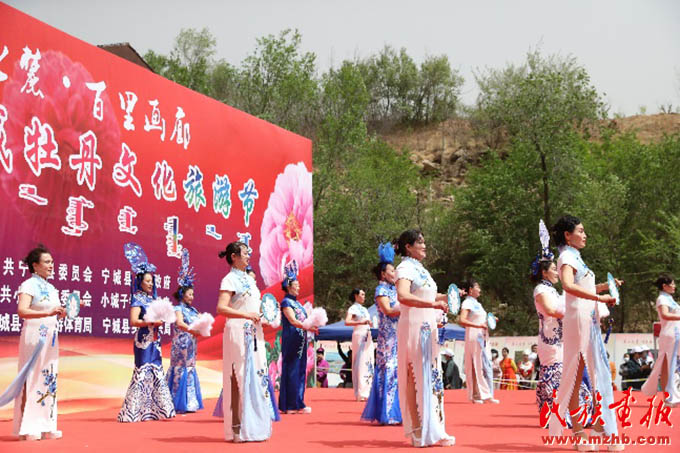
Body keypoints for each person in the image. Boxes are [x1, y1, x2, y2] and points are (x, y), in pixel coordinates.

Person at [547, 215, 623, 451]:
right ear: (568, 235)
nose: (584, 234)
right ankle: (579, 433)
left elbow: (583, 286)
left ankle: (601, 425)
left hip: (588, 318)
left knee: (596, 373)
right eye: (580, 231)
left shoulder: (576, 257)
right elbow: (568, 286)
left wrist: (604, 288)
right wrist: (599, 297)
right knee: (576, 375)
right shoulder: (566, 257)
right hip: (578, 320)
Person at [395, 229, 454, 447]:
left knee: (432, 377)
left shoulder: (422, 270)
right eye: (420, 242)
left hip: (428, 327)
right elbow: (403, 296)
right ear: (408, 246)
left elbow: (430, 295)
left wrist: (450, 296)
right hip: (413, 327)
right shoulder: (404, 268)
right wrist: (432, 304)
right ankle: (418, 429)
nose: (424, 246)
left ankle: (435, 428)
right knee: (415, 376)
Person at [216, 241, 275, 442]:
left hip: (253, 331)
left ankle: (256, 427)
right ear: (234, 256)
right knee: (238, 377)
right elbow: (221, 308)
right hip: (237, 331)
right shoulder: (229, 280)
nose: (249, 257)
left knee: (257, 376)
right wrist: (246, 315)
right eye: (245, 253)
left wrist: (261, 317)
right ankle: (237, 429)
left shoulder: (250, 281)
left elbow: (254, 307)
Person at [7, 245, 65, 440]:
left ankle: (47, 424)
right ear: (35, 265)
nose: (51, 265)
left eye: (52, 262)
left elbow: (55, 313)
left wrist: (67, 310)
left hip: (51, 337)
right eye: (47, 262)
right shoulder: (29, 285)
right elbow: (22, 311)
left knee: (49, 378)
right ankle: (27, 427)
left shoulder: (52, 288)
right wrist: (47, 313)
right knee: (31, 378)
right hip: (34, 336)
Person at [531, 251, 592, 423]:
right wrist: (571, 314)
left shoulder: (555, 291)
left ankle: (573, 414)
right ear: (544, 272)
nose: (557, 273)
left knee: (569, 374)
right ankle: (557, 414)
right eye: (553, 269)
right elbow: (550, 310)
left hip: (563, 339)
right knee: (556, 373)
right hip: (550, 341)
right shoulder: (540, 290)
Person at [118, 243, 176, 423]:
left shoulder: (153, 299)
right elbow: (134, 321)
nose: (150, 284)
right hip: (143, 340)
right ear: (140, 281)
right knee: (143, 370)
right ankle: (133, 412)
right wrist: (151, 322)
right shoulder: (137, 298)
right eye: (147, 281)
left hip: (155, 340)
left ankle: (158, 410)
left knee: (156, 370)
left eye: (152, 281)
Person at [361, 242, 402, 424]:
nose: (395, 274)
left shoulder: (395, 289)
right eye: (392, 271)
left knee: (397, 371)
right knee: (389, 370)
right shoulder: (381, 290)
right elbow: (388, 310)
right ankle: (387, 412)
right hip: (387, 337)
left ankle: (395, 412)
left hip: (399, 335)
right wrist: (407, 307)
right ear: (383, 274)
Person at [166, 249, 203, 414]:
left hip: (191, 342)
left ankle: (190, 402)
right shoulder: (178, 308)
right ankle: (176, 400)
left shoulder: (193, 309)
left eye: (193, 294)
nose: (192, 297)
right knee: (180, 368)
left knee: (190, 367)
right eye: (189, 294)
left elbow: (201, 320)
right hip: (181, 343)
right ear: (182, 294)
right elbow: (180, 323)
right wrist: (192, 329)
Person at [279, 260, 318, 414]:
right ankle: (289, 405)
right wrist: (306, 326)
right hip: (291, 341)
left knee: (301, 370)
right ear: (289, 286)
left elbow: (303, 320)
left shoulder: (299, 304)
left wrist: (312, 326)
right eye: (296, 284)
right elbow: (293, 321)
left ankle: (298, 402)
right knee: (292, 370)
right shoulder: (286, 302)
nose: (299, 287)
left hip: (301, 340)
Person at [641, 274, 680, 407]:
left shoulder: (670, 298)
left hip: (675, 334)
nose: (674, 286)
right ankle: (668, 398)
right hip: (669, 336)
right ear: (665, 286)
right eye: (672, 284)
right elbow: (664, 315)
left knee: (670, 366)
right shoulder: (662, 298)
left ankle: (670, 397)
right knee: (666, 366)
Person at [458, 278, 497, 404]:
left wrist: (490, 321)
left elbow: (480, 321)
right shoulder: (467, 303)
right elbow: (462, 320)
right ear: (470, 290)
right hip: (474, 336)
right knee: (476, 364)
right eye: (477, 287)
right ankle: (477, 394)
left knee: (484, 363)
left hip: (482, 336)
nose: (479, 290)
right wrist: (477, 326)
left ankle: (483, 394)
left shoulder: (478, 304)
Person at [345, 288, 374, 401]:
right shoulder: (353, 308)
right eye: (362, 294)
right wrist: (361, 322)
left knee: (368, 362)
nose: (364, 296)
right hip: (359, 335)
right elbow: (347, 322)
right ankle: (361, 392)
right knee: (360, 362)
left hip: (367, 335)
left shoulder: (365, 309)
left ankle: (368, 390)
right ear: (356, 296)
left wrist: (369, 323)